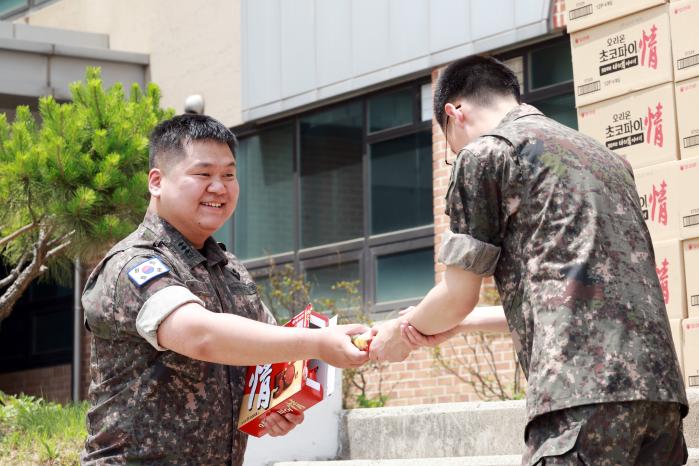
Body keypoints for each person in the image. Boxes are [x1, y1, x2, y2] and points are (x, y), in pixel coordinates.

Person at [369, 55, 688, 465]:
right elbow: (570, 301)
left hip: (580, 398)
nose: (456, 157)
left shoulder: (487, 154)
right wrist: (453, 327)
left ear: (454, 112)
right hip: (659, 397)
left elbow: (457, 294)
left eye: (450, 149)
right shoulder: (606, 159)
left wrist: (403, 332)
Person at [81, 114, 369, 465]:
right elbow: (200, 334)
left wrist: (276, 404)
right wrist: (318, 342)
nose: (219, 187)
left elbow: (270, 355)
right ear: (156, 182)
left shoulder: (229, 269)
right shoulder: (134, 265)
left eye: (229, 175)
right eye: (203, 174)